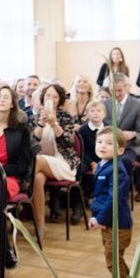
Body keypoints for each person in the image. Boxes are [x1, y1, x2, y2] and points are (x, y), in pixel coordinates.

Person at [0, 84, 32, 269]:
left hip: (9, 179)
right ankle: (5, 248)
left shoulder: (20, 129)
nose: (2, 100)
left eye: (6, 97)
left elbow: (22, 166)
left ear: (12, 104)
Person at [31, 84, 81, 235]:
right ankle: (40, 226)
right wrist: (41, 123)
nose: (50, 99)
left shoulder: (66, 117)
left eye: (55, 96)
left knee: (36, 161)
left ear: (59, 100)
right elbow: (31, 142)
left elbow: (69, 142)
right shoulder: (34, 117)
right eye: (47, 96)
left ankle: (22, 189)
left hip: (63, 162)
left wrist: (53, 124)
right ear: (42, 98)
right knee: (37, 179)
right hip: (42, 164)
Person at [89, 127, 132, 278]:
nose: (102, 146)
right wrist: (95, 216)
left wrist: (99, 219)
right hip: (108, 223)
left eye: (109, 143)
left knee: (113, 262)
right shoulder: (102, 164)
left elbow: (113, 199)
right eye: (99, 142)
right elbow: (99, 196)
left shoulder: (117, 170)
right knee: (114, 259)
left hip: (118, 226)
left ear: (120, 150)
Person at [103, 73, 140, 201]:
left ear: (127, 87)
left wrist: (132, 135)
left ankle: (122, 194)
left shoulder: (138, 105)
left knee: (123, 161)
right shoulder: (105, 104)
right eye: (113, 91)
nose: (116, 94)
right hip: (109, 146)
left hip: (129, 147)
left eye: (119, 90)